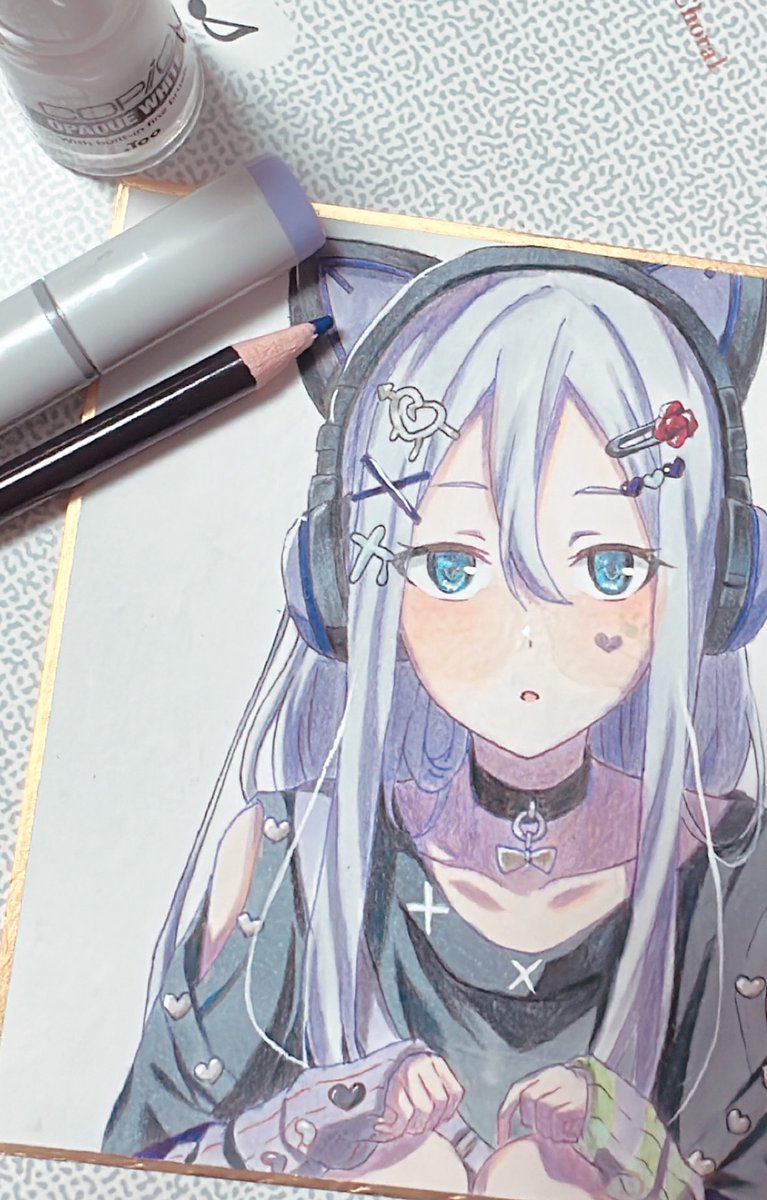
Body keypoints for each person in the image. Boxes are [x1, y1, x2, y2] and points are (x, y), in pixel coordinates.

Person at [104, 247, 767, 1200]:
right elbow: (122, 1172)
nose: (528, 635)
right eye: (453, 568)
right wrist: (303, 1128)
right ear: (339, 585)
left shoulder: (743, 889)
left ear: (718, 589)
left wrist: (644, 1168)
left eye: (609, 568)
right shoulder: (286, 860)